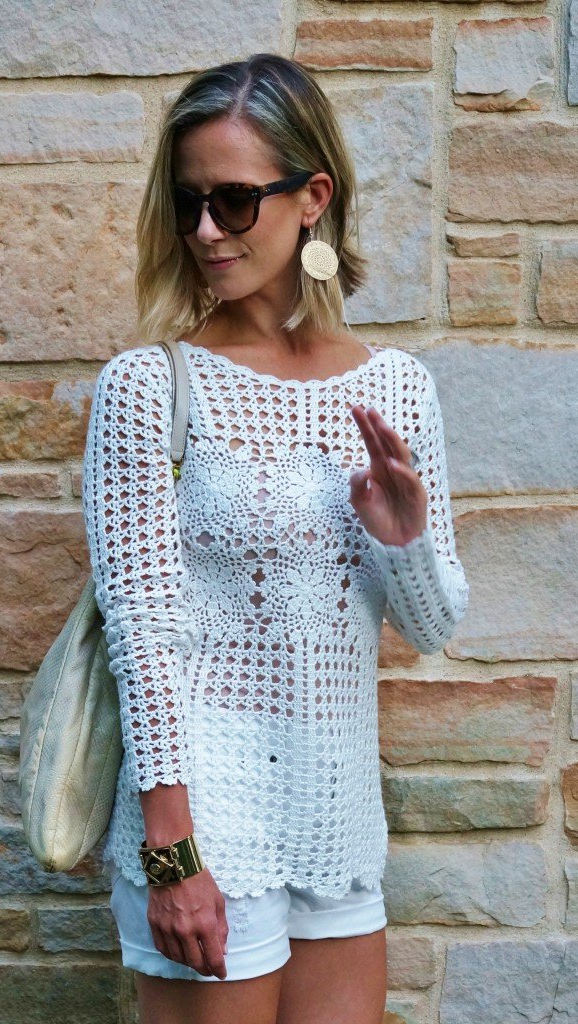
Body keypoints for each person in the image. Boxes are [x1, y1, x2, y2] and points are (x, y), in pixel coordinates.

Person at [81, 52, 469, 1024]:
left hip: (336, 825)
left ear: (312, 198)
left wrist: (403, 535)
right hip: (204, 830)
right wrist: (171, 855)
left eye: (234, 201)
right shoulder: (148, 387)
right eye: (189, 203)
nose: (205, 230)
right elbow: (142, 630)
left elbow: (429, 624)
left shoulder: (392, 388)